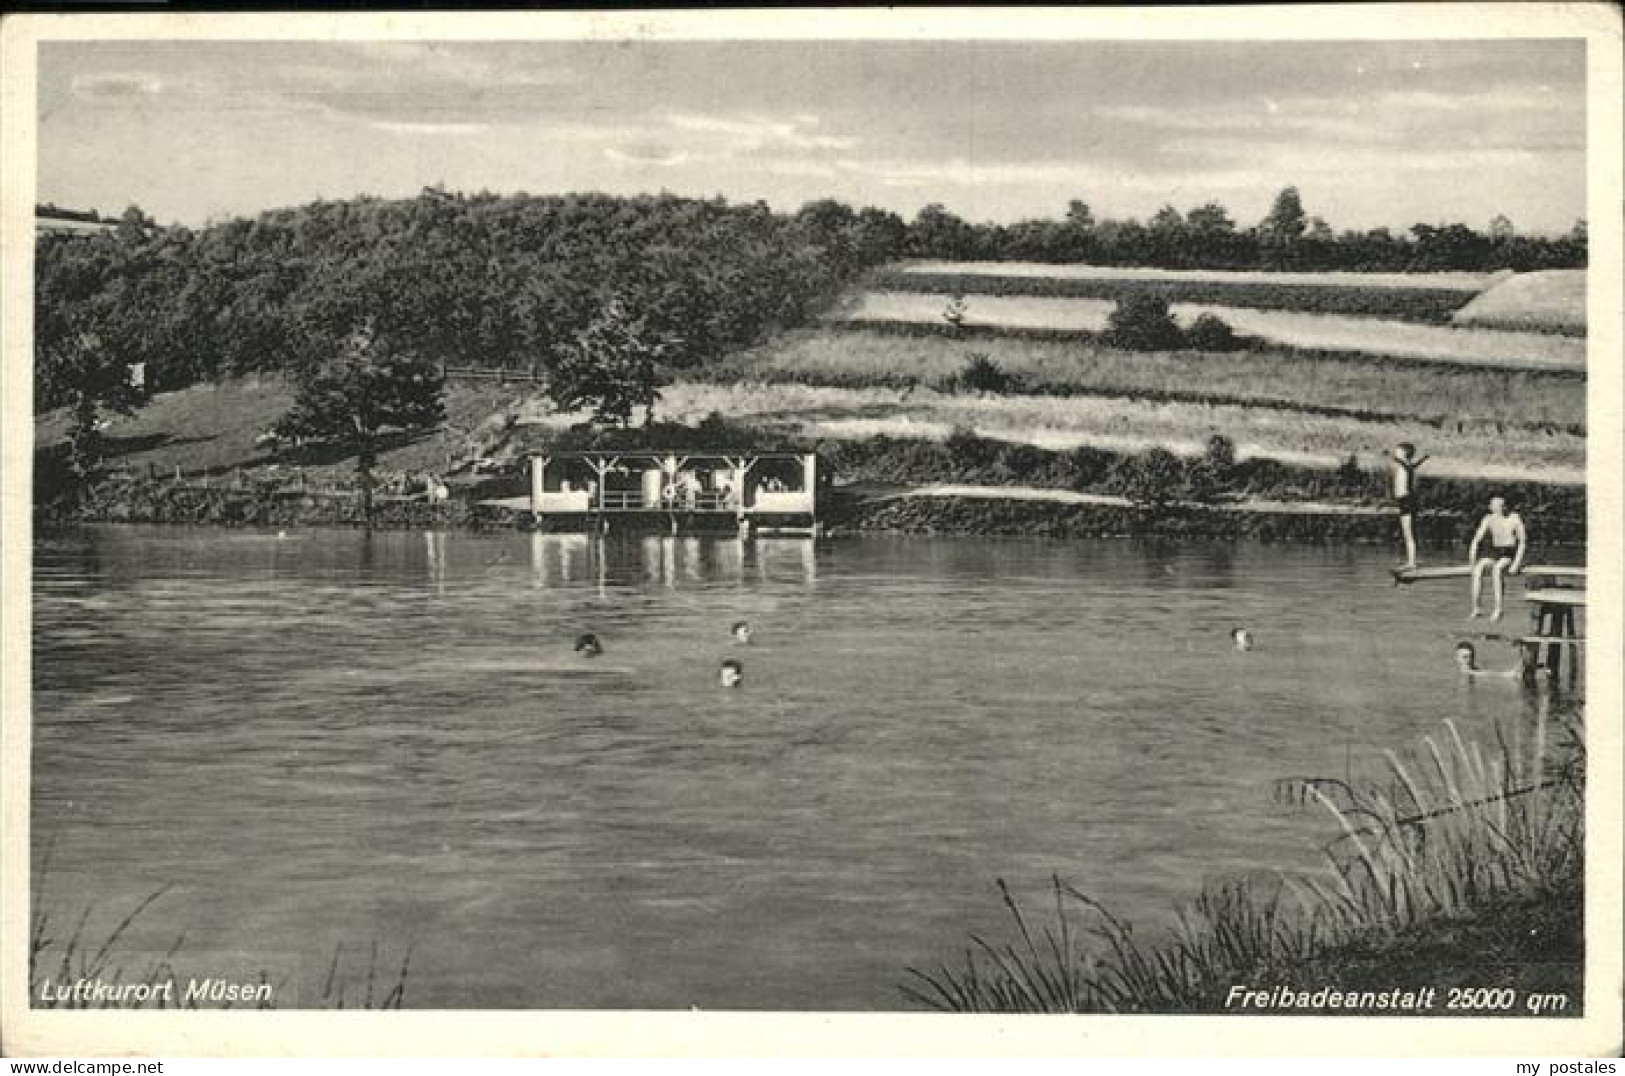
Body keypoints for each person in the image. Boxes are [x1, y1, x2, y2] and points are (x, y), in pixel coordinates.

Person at [1468, 496, 1527, 620]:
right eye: (1496, 506)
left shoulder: (1514, 518)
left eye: (1502, 506)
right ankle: (1476, 607)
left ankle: (1498, 609)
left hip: (1509, 552)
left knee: (1497, 570)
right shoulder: (1488, 519)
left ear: (1505, 506)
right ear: (1491, 507)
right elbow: (1476, 540)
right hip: (1495, 551)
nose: (1500, 509)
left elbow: (1522, 542)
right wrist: (1472, 560)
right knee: (1478, 570)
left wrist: (1516, 563)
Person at [1391, 443, 1430, 570]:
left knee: (1408, 533)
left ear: (1403, 454)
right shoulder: (1407, 465)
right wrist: (1423, 459)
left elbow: (1400, 459)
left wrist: (1421, 458)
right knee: (1407, 532)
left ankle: (1412, 563)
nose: (1395, 453)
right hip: (1405, 501)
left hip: (1407, 500)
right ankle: (1410, 560)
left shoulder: (1403, 464)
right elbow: (1414, 465)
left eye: (1398, 451)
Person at [1453, 641, 1520, 679]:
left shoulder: (1475, 669)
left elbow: (1481, 673)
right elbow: (1482, 674)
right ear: (1457, 658)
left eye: (1471, 656)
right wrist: (1505, 674)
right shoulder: (1466, 672)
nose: (1469, 660)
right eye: (1465, 657)